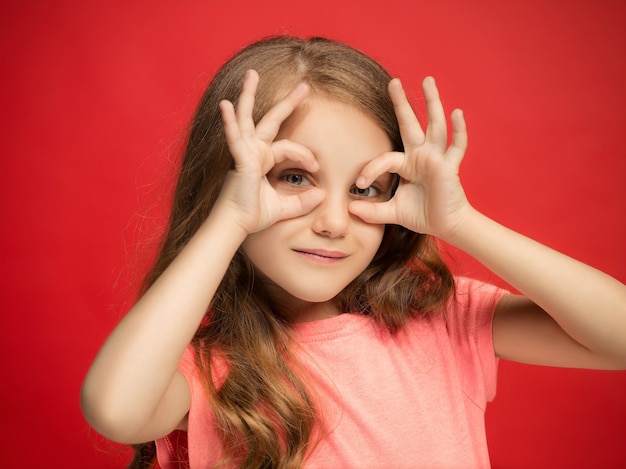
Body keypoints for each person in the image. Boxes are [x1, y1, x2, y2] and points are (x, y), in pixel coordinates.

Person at [80, 36, 626, 469]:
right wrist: (230, 219)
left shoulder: (440, 316)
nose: (335, 221)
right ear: (225, 183)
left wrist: (461, 224)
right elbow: (115, 410)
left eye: (364, 188)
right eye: (294, 177)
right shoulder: (206, 370)